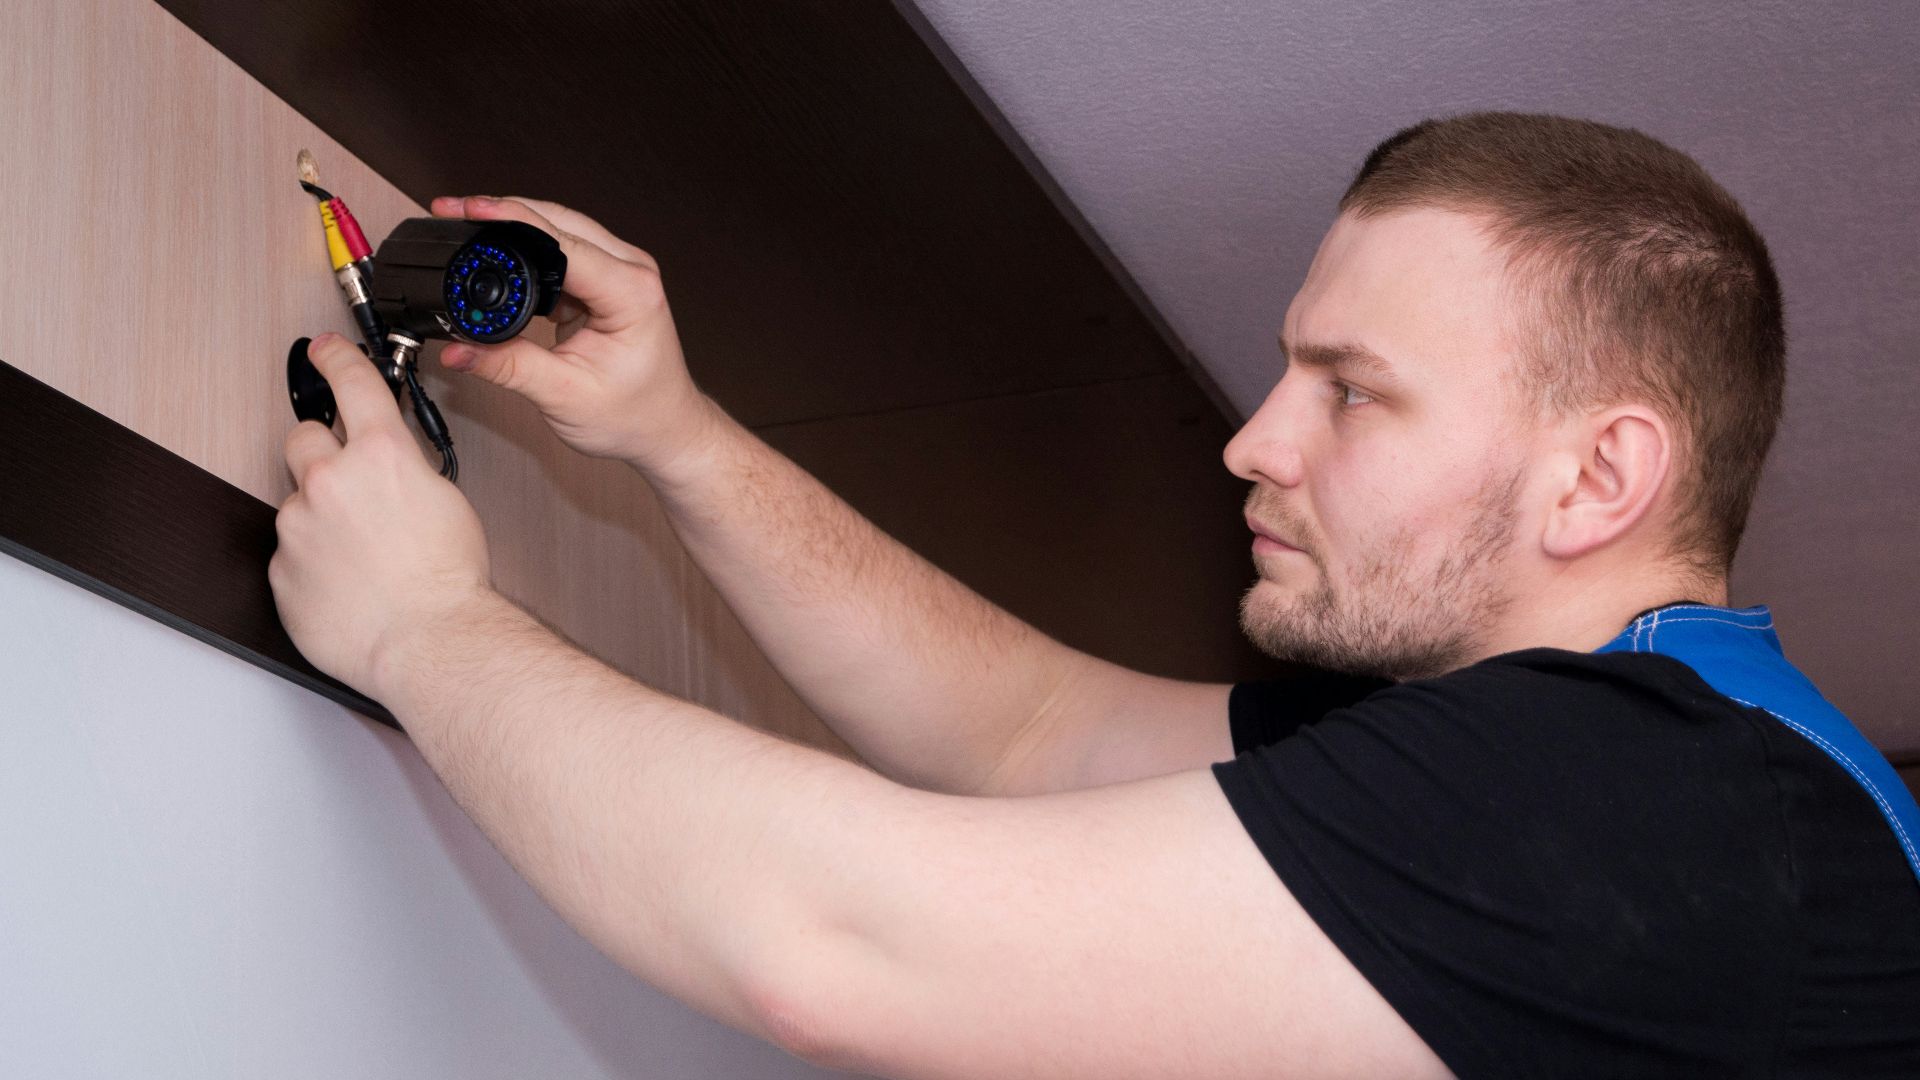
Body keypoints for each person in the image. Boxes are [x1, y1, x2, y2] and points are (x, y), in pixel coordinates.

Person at [268, 111, 1920, 1078]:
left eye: (1352, 390)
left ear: (1599, 478)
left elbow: (842, 937)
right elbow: (1026, 729)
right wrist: (678, 439)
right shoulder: (1605, 757)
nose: (1253, 442)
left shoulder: (1659, 808)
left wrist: (421, 626)